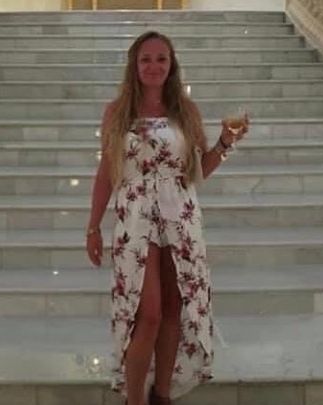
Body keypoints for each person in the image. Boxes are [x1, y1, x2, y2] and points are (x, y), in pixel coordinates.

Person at [85, 31, 248, 405]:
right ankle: (135, 400)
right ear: (134, 65)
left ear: (171, 65)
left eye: (161, 58)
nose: (154, 66)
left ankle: (161, 395)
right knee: (149, 315)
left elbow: (197, 171)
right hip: (136, 217)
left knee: (175, 308)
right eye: (146, 59)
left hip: (181, 216)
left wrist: (225, 143)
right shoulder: (117, 111)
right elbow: (106, 172)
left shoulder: (186, 111)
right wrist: (93, 226)